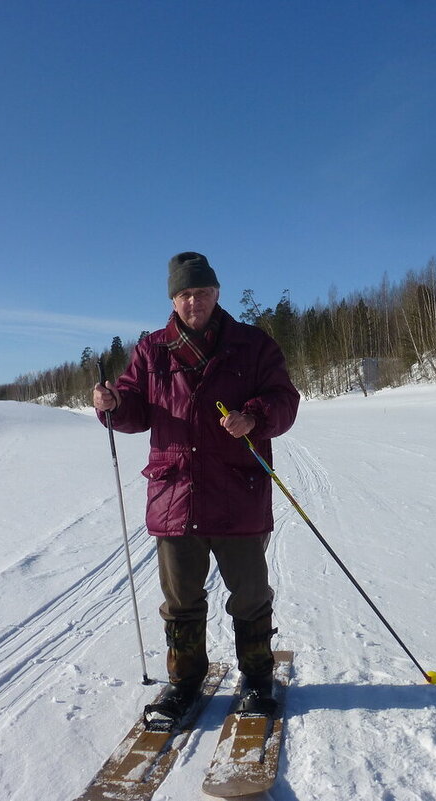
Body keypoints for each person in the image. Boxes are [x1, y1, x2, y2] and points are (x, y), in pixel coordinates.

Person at [93, 251, 300, 725]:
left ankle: (256, 678)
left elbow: (285, 400)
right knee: (181, 600)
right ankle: (184, 683)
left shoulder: (253, 345)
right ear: (173, 298)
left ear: (217, 293)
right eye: (185, 294)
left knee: (250, 595)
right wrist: (112, 402)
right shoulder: (150, 351)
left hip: (237, 492)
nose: (194, 302)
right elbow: (133, 411)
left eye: (202, 292)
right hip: (176, 495)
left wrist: (256, 417)